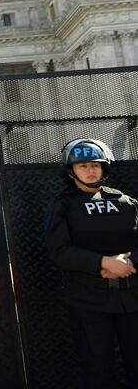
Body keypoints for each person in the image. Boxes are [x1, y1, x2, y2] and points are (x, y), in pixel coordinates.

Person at [45, 138, 138, 387]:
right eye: (83, 166)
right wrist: (103, 262)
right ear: (71, 171)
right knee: (98, 369)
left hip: (133, 298)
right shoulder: (62, 205)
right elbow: (59, 251)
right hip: (89, 300)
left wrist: (130, 263)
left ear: (104, 167)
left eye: (95, 165)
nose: (90, 170)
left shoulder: (125, 202)